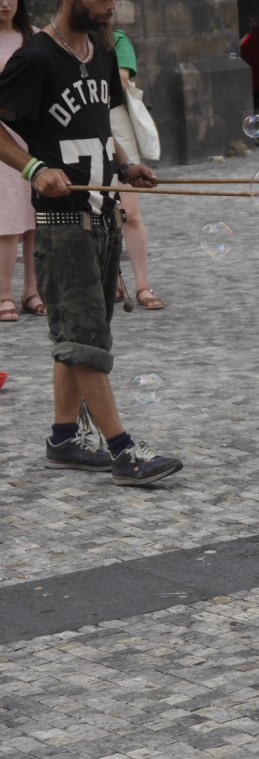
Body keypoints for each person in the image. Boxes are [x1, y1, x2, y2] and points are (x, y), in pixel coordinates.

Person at [0, 0, 183, 485]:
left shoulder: (102, 49)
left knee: (78, 338)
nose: (111, 7)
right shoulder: (36, 58)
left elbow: (97, 124)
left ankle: (64, 439)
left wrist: (124, 165)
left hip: (103, 217)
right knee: (85, 341)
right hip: (62, 225)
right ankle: (124, 451)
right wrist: (33, 169)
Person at [110, 27, 162, 309]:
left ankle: (142, 285)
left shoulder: (116, 39)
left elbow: (120, 80)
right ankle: (111, 281)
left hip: (115, 124)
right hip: (81, 128)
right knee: (100, 213)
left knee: (129, 213)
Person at [0, 0, 42, 322]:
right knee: (9, 220)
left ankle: (33, 290)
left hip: (33, 135)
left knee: (36, 220)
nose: (4, 4)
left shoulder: (36, 37)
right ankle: (4, 294)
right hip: (3, 140)